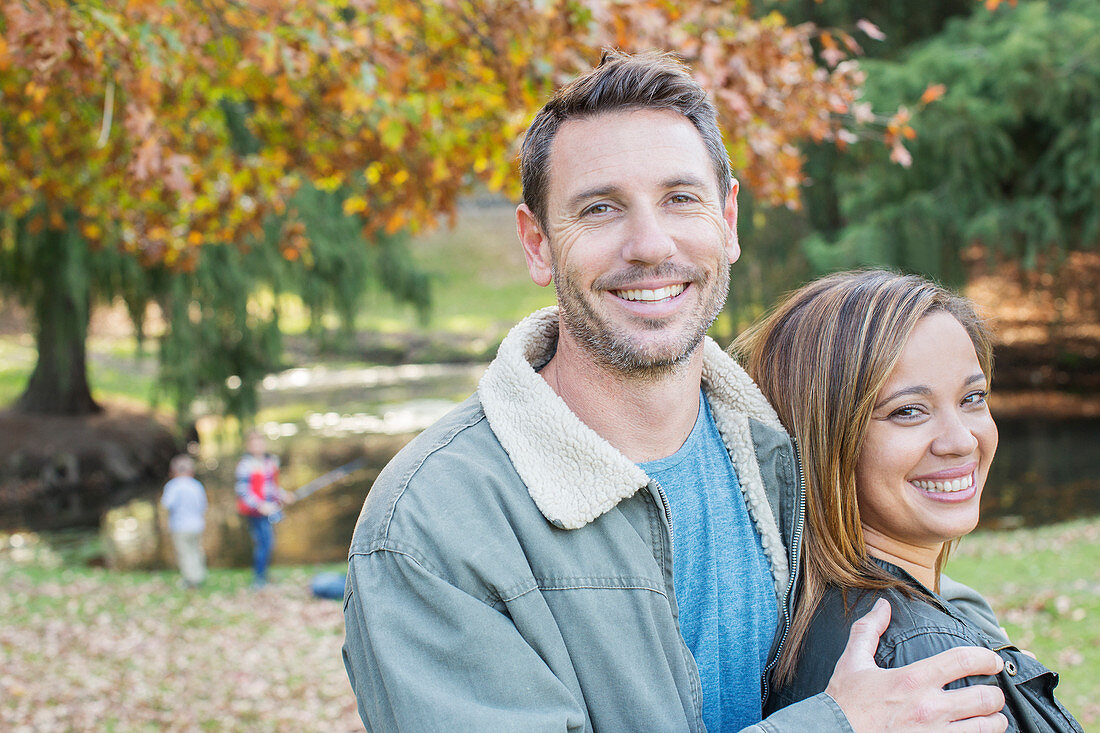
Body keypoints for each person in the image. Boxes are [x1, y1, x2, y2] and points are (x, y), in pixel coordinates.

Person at [343, 50, 1009, 732]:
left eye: (680, 198)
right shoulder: (434, 522)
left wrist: (989, 656)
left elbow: (879, 580)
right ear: (538, 243)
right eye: (600, 209)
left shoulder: (773, 444)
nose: (649, 243)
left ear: (728, 219)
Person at [735, 269, 1082, 731]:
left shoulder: (820, 614)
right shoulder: (917, 669)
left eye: (973, 398)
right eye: (907, 411)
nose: (960, 440)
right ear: (828, 441)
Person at [235, 430, 293, 588]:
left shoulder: (270, 462)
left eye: (260, 442)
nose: (258, 446)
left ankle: (264, 574)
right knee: (263, 543)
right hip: (256, 512)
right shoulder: (245, 466)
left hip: (271, 509)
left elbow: (273, 487)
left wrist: (283, 495)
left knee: (268, 543)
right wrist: (260, 506)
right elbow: (242, 491)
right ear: (249, 446)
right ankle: (259, 579)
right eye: (254, 443)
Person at [160, 454, 208, 588]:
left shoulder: (173, 486)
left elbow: (167, 504)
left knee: (184, 552)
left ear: (173, 472)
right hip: (197, 525)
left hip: (180, 526)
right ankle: (199, 575)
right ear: (191, 471)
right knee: (196, 550)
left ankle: (190, 579)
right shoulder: (197, 485)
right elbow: (203, 505)